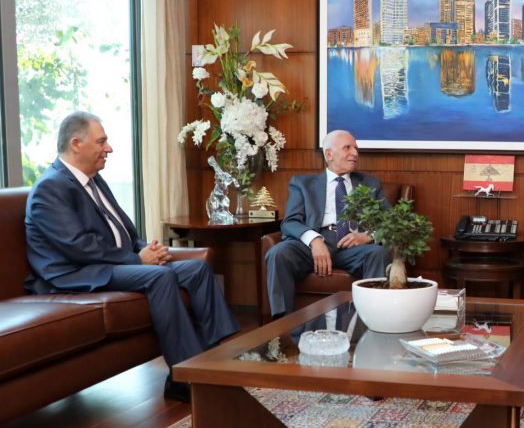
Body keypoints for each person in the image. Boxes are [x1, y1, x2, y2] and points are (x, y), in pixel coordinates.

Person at [24, 111, 240, 402]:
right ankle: (185, 378)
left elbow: (123, 232)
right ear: (76, 144)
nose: (109, 148)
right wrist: (138, 260)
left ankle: (220, 361)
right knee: (160, 277)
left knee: (197, 270)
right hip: (74, 274)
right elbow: (78, 246)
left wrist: (147, 249)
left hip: (109, 264)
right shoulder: (50, 188)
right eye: (101, 142)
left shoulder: (94, 180)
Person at [265, 130, 390, 317]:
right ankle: (281, 322)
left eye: (356, 148)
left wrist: (368, 236)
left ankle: (374, 318)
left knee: (378, 253)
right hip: (314, 242)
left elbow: (389, 221)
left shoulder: (370, 183)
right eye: (347, 148)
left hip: (353, 246)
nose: (355, 153)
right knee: (278, 253)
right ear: (329, 154)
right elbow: (290, 221)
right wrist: (315, 241)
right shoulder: (303, 184)